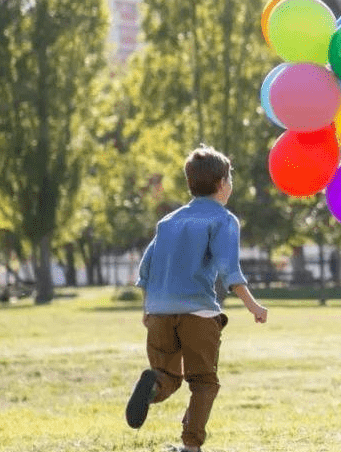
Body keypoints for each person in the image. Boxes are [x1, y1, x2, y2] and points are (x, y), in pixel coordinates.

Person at [125, 146, 269, 452]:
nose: (231, 184)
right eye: (230, 178)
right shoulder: (223, 219)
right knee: (204, 382)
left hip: (159, 312)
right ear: (221, 184)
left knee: (168, 377)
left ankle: (153, 385)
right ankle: (191, 447)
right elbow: (229, 269)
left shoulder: (168, 222)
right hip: (198, 313)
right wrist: (253, 305)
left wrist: (147, 309)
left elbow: (145, 268)